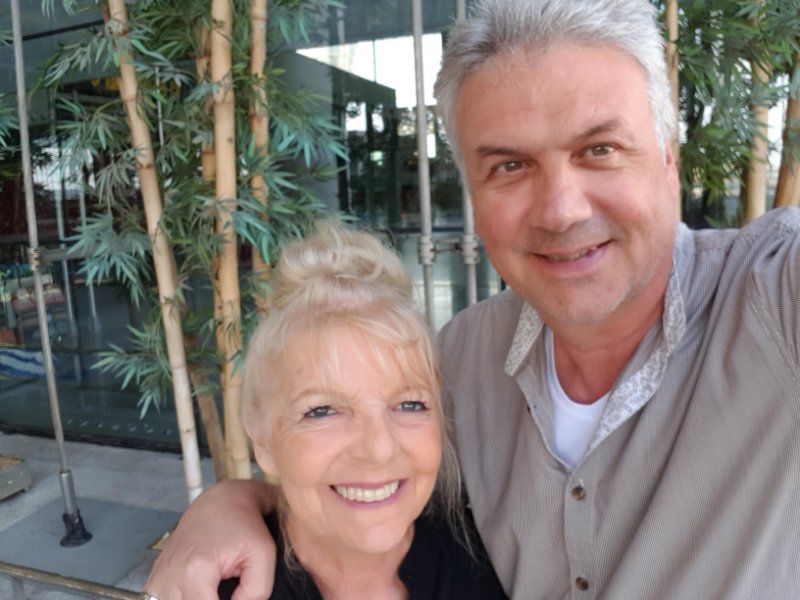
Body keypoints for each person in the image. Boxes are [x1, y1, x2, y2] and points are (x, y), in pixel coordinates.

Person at [143, 0, 800, 598]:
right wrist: (236, 502)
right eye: (510, 166)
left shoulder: (773, 298)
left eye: (600, 149)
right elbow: (362, 474)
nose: (562, 210)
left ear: (668, 160)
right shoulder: (462, 356)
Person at [214, 220, 504, 599]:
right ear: (262, 438)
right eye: (322, 411)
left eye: (410, 404)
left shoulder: (489, 561)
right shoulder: (211, 589)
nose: (378, 449)